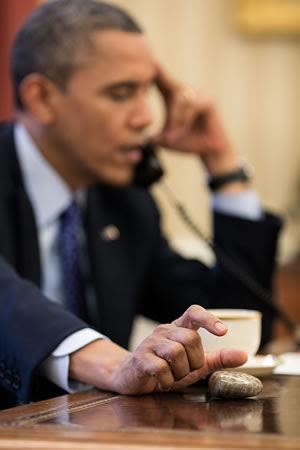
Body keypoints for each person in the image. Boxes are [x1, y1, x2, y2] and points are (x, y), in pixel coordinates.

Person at [0, 0, 281, 409]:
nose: (146, 117)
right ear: (41, 97)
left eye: (147, 92)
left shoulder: (124, 201)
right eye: (121, 93)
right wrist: (110, 362)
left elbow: (232, 322)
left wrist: (223, 166)